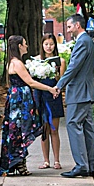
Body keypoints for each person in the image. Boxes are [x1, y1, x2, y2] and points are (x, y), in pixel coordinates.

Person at [0, 35, 55, 177]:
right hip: (20, 101)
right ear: (19, 46)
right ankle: (19, 161)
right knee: (21, 129)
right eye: (25, 43)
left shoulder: (13, 62)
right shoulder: (17, 63)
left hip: (17, 99)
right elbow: (30, 82)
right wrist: (49, 88)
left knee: (18, 130)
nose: (27, 46)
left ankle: (18, 161)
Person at [52, 14, 94, 178]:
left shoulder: (82, 42)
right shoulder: (89, 42)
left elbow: (73, 67)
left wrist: (59, 85)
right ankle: (89, 166)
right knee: (87, 128)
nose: (68, 30)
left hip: (79, 92)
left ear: (77, 25)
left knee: (73, 125)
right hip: (86, 92)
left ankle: (81, 165)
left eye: (70, 27)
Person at [33, 33, 64, 169]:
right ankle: (46, 160)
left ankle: (57, 160)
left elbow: (62, 80)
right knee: (44, 129)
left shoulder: (60, 61)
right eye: (46, 44)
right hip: (40, 96)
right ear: (42, 45)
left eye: (51, 44)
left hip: (53, 97)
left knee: (54, 129)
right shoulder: (36, 61)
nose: (49, 47)